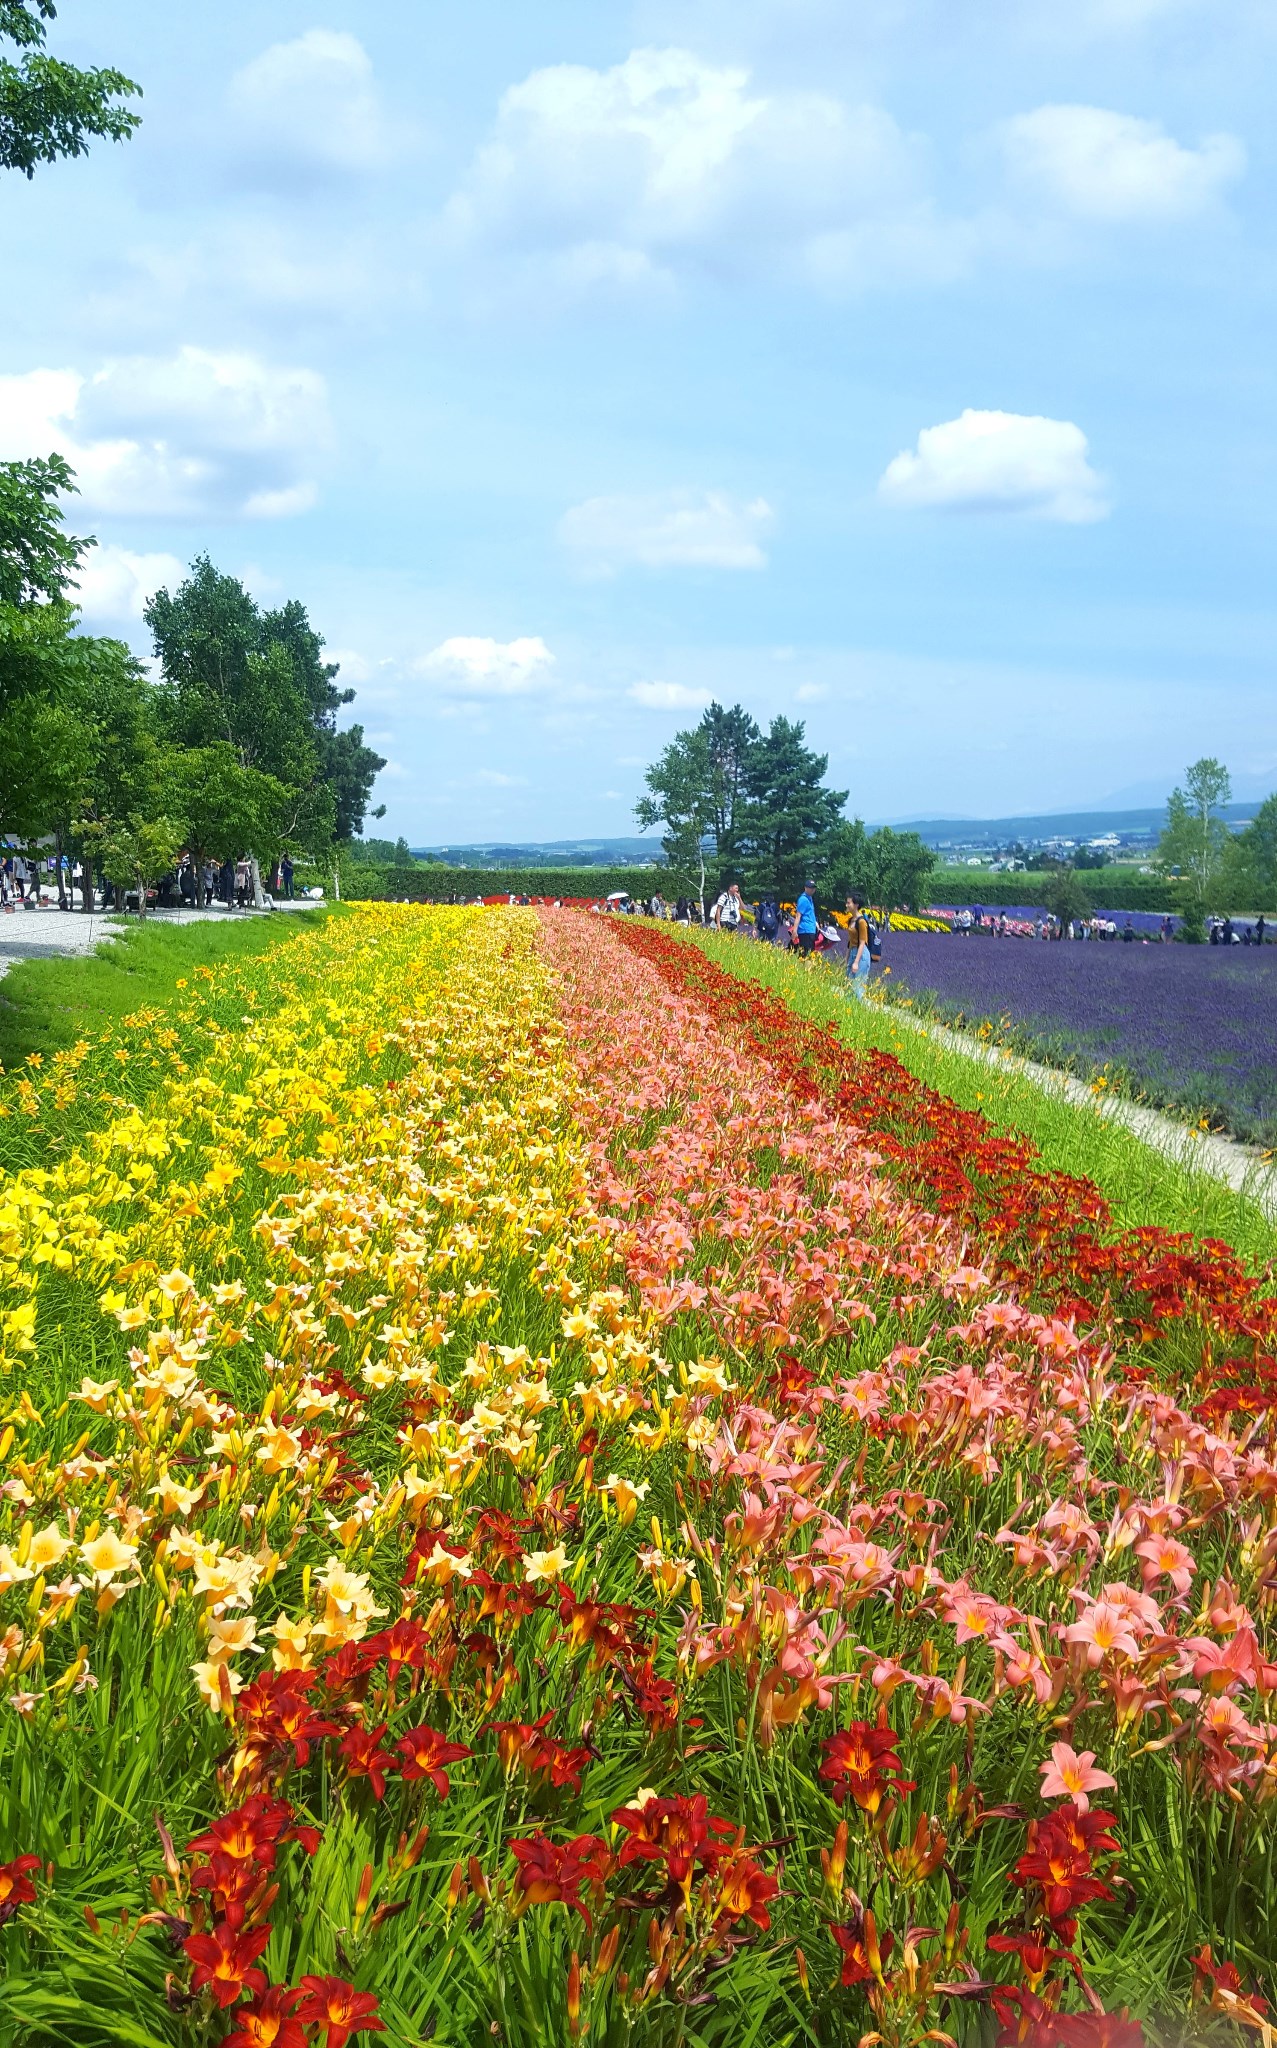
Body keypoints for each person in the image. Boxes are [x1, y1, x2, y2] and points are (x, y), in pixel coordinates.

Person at [845, 893, 873, 1000]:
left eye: (849, 903)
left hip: (861, 955)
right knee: (848, 985)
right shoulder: (850, 920)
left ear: (856, 905)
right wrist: (847, 957)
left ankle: (858, 1010)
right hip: (852, 952)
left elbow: (862, 942)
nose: (846, 905)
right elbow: (850, 941)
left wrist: (856, 962)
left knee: (857, 987)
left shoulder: (861, 922)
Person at [792, 880, 819, 955]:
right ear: (805, 888)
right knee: (806, 954)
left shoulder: (810, 899)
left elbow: (809, 914)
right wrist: (795, 930)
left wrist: (815, 922)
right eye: (810, 888)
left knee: (810, 954)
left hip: (810, 930)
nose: (812, 890)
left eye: (813, 888)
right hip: (805, 930)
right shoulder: (803, 899)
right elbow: (798, 915)